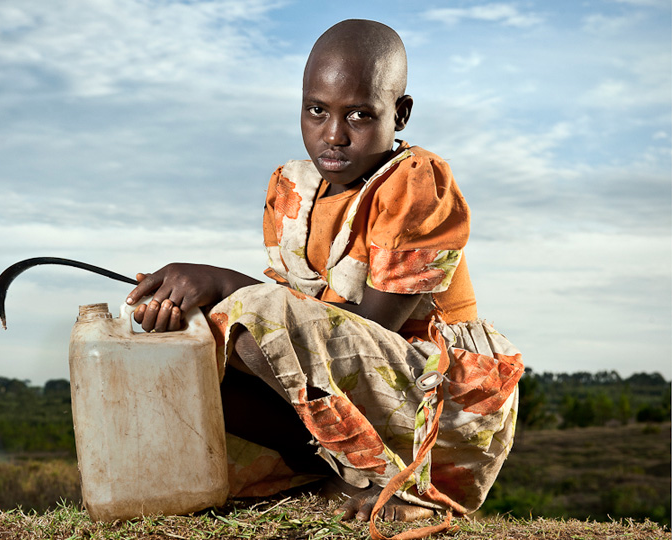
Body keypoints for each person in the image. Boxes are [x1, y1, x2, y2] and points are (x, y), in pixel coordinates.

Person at [126, 19, 523, 526]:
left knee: (250, 313)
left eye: (359, 114)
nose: (333, 135)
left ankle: (383, 480)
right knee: (200, 350)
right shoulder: (291, 187)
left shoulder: (416, 182)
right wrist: (187, 309)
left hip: (432, 400)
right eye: (317, 110)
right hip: (351, 394)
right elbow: (300, 335)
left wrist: (223, 283)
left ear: (399, 114)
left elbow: (369, 330)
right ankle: (324, 472)